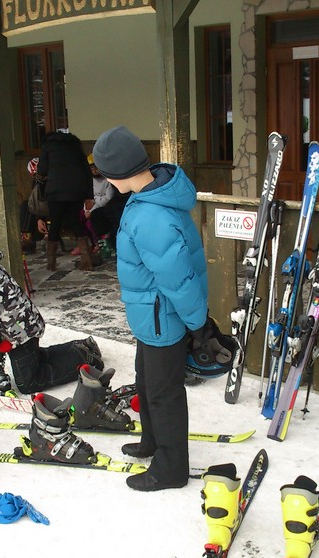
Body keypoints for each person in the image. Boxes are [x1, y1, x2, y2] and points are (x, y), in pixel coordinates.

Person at [92, 124, 215, 492]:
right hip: (150, 315)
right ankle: (152, 441)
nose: (105, 180)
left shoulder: (151, 216)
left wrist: (199, 324)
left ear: (118, 172)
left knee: (164, 394)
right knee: (146, 382)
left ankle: (171, 468)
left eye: (105, 173)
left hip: (163, 318)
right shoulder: (146, 196)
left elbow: (178, 279)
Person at [0, 240, 106, 395]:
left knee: (28, 382)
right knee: (36, 358)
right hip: (23, 323)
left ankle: (84, 359)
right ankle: (81, 346)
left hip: (19, 331)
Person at [36, 130, 94, 271]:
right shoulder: (75, 146)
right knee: (76, 222)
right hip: (76, 190)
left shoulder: (48, 146)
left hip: (55, 191)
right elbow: (87, 171)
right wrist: (89, 195)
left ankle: (51, 263)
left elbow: (42, 170)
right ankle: (86, 261)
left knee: (55, 223)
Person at [86, 153, 128, 259]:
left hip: (119, 202)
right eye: (92, 169)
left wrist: (94, 205)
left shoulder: (109, 178)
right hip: (107, 204)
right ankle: (101, 242)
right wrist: (88, 208)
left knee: (111, 211)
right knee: (94, 215)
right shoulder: (91, 180)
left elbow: (109, 197)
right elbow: (89, 198)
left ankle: (113, 242)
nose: (94, 171)